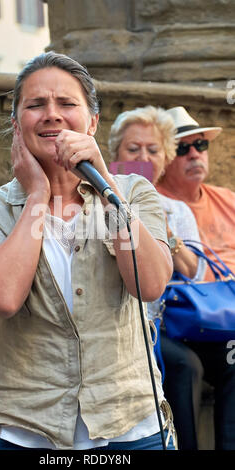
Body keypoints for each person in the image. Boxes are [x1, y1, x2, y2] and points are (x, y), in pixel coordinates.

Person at [0, 52, 176, 451]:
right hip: (29, 429)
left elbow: (149, 283)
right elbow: (4, 298)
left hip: (130, 426)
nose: (52, 115)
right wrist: (38, 196)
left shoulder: (131, 193)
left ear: (92, 122)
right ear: (15, 124)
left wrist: (105, 182)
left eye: (67, 104)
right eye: (36, 105)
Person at [108, 106, 208, 449]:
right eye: (133, 149)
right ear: (116, 154)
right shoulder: (100, 201)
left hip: (171, 324)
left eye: (152, 150)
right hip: (125, 325)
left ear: (164, 158)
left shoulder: (176, 210)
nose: (143, 157)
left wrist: (166, 234)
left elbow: (196, 271)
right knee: (184, 365)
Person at [156, 106, 235, 450]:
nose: (194, 154)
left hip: (225, 320)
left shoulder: (227, 199)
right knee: (185, 367)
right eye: (181, 148)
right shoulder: (151, 199)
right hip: (179, 321)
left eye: (200, 145)